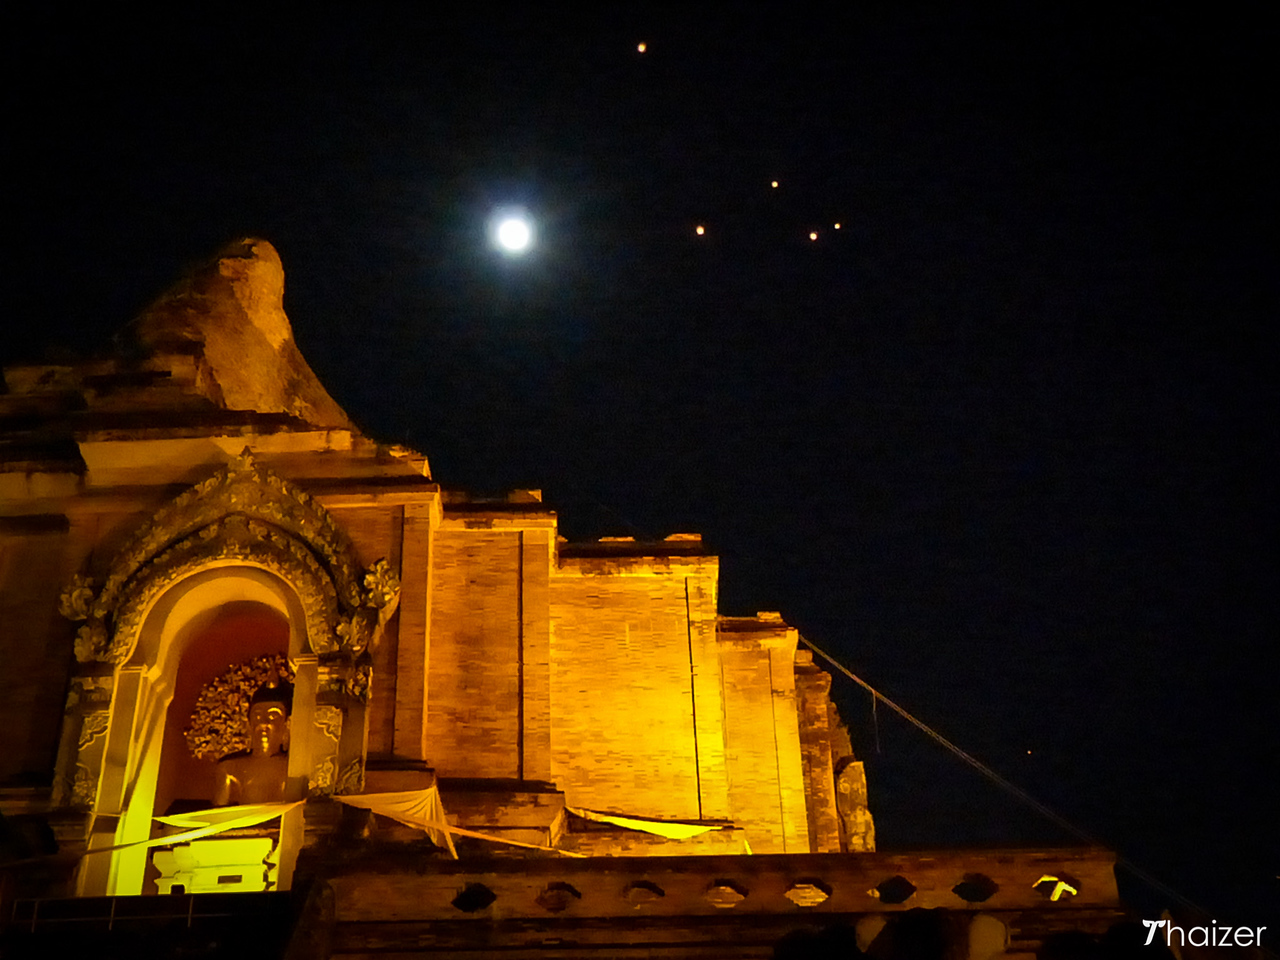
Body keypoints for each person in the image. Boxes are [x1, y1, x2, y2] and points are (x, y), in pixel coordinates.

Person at [213, 681, 292, 806]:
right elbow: (218, 815)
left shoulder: (292, 768)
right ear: (249, 724)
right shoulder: (229, 768)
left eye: (273, 716)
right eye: (258, 715)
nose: (263, 723)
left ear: (287, 725)